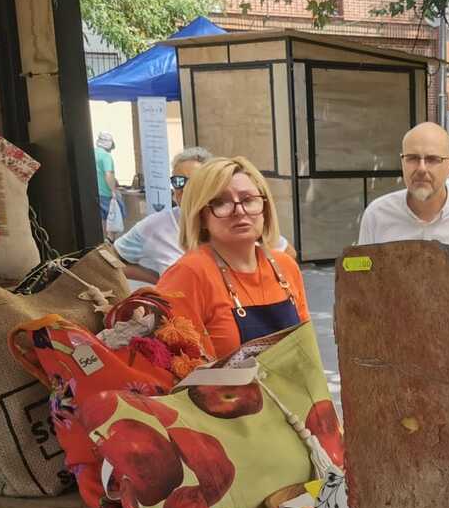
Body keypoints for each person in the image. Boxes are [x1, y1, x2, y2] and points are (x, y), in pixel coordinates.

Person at [156, 156, 308, 361]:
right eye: (220, 202)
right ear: (200, 216)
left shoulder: (285, 266)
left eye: (248, 200)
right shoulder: (189, 274)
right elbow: (178, 370)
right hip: (222, 394)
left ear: (265, 208)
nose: (239, 211)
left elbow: (308, 356)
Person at [113, 147, 295, 284]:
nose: (184, 188)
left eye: (194, 181)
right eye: (178, 181)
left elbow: (286, 255)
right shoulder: (154, 227)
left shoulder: (235, 221)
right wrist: (158, 278)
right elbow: (110, 259)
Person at [358, 123, 449, 271]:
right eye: (412, 158)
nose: (421, 168)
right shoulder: (376, 216)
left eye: (432, 159)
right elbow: (363, 283)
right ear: (402, 162)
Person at [94, 131, 118, 229]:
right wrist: (113, 190)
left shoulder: (92, 153)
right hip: (105, 193)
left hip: (95, 193)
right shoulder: (106, 156)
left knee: (100, 222)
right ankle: (109, 242)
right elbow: (108, 174)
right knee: (112, 222)